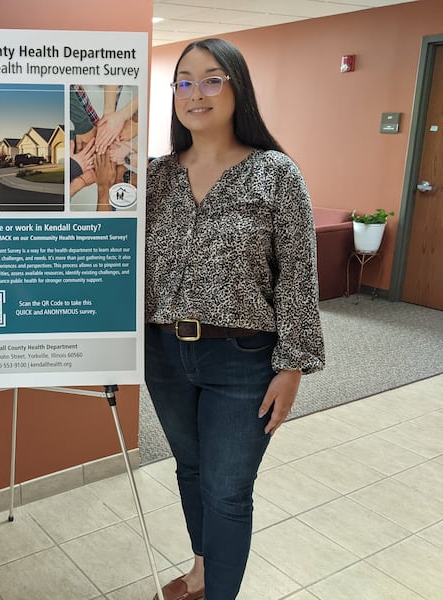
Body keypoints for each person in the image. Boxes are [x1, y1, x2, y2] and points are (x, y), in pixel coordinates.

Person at [145, 38, 324, 600]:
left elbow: (298, 276)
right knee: (191, 471)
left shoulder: (275, 173)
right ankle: (202, 573)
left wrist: (293, 367)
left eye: (212, 79)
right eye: (184, 81)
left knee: (227, 489)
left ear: (237, 87)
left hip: (242, 359)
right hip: (165, 353)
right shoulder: (154, 177)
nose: (196, 93)